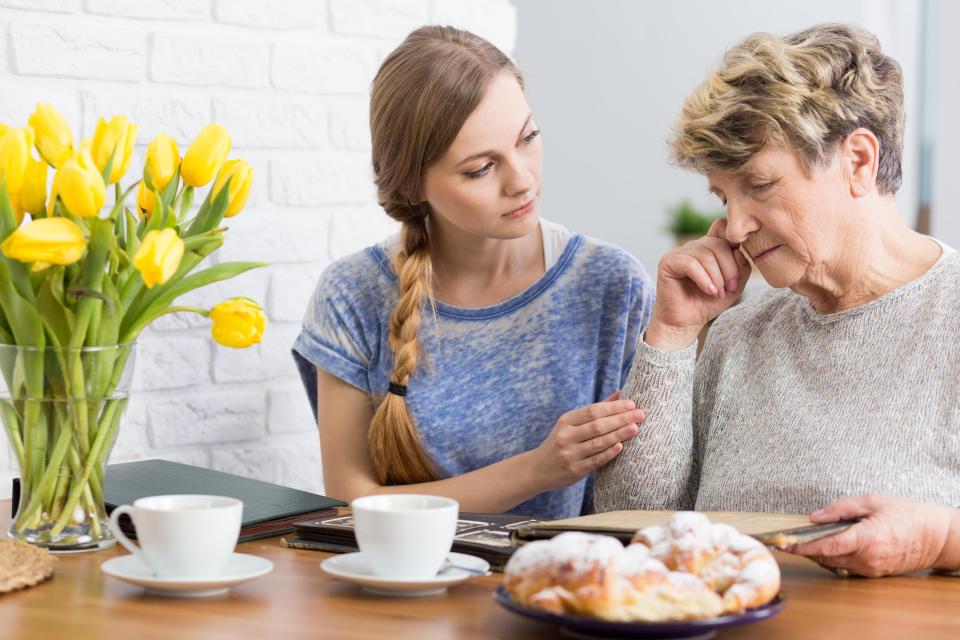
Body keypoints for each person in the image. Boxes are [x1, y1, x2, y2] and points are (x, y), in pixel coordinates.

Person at [594, 23, 960, 577]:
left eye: (759, 186)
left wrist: (942, 540)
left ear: (858, 161)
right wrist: (672, 335)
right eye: (724, 196)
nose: (735, 226)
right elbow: (631, 520)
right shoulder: (742, 331)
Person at [292, 26, 654, 520]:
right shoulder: (352, 294)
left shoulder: (611, 286)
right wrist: (537, 470)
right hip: (400, 589)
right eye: (482, 168)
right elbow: (351, 503)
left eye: (527, 138)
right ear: (413, 184)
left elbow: (647, 498)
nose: (522, 180)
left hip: (561, 590)